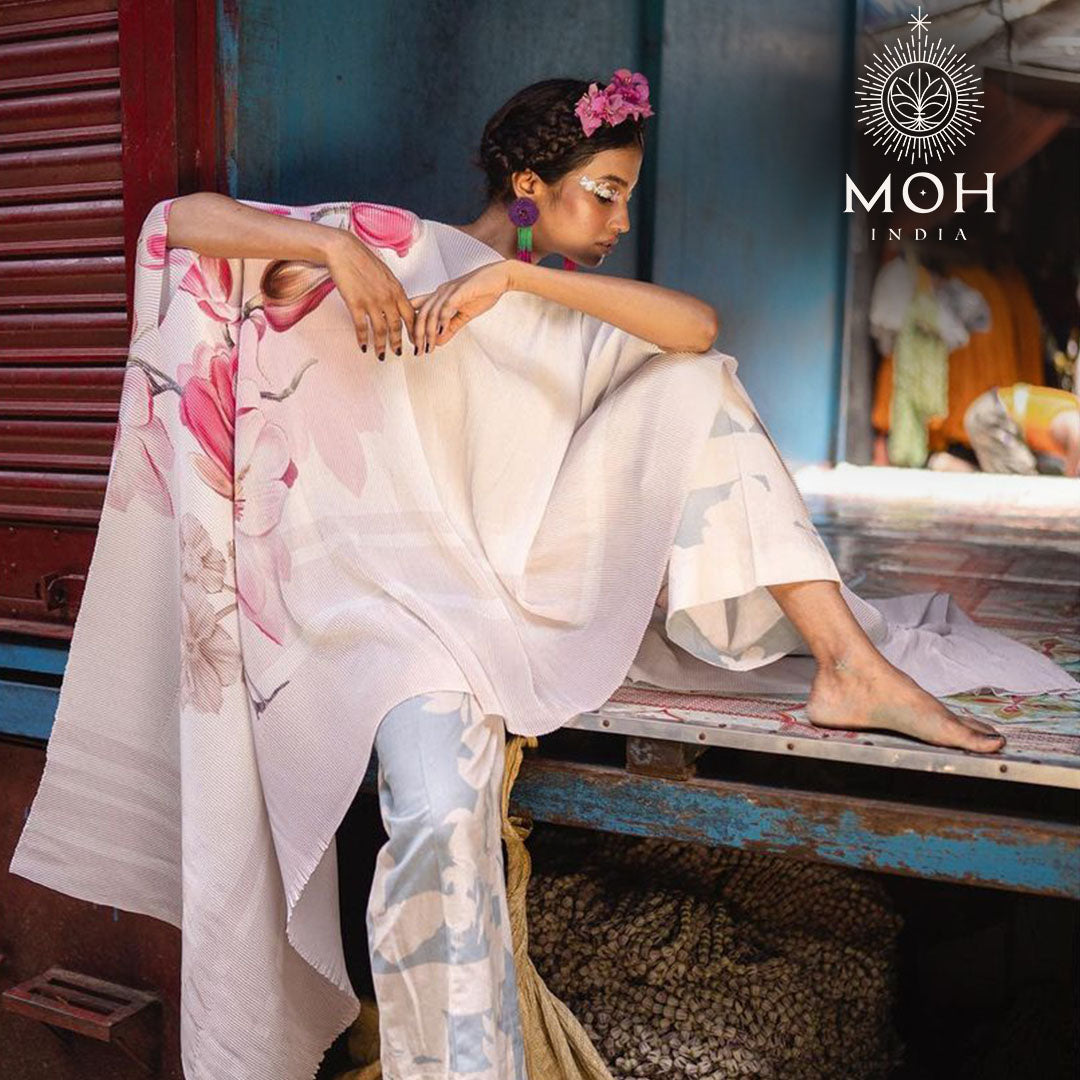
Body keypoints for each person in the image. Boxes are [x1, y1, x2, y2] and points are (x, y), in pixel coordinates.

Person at [13, 71, 1073, 1080]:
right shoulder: (394, 248)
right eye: (603, 193)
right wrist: (330, 248)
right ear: (530, 185)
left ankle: (849, 665)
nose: (619, 220)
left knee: (698, 382)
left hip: (525, 585)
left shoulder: (562, 303)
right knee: (436, 810)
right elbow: (178, 224)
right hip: (383, 611)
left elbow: (701, 333)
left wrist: (516, 277)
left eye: (627, 198)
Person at [963, 381, 1080, 476]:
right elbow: (1076, 434)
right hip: (994, 414)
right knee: (1020, 478)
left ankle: (957, 469)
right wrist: (1071, 475)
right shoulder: (1074, 417)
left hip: (994, 411)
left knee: (1016, 473)